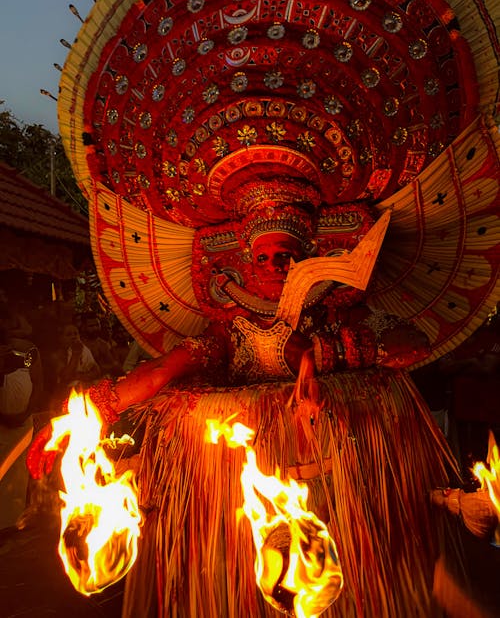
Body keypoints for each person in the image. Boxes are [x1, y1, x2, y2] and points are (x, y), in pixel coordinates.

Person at [28, 181, 461, 618]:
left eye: (286, 255)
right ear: (248, 265)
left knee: (341, 583)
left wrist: (326, 351)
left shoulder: (341, 312)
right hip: (243, 476)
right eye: (263, 258)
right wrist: (81, 419)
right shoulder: (233, 331)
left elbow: (414, 345)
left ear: (308, 256)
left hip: (336, 466)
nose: (276, 266)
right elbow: (162, 370)